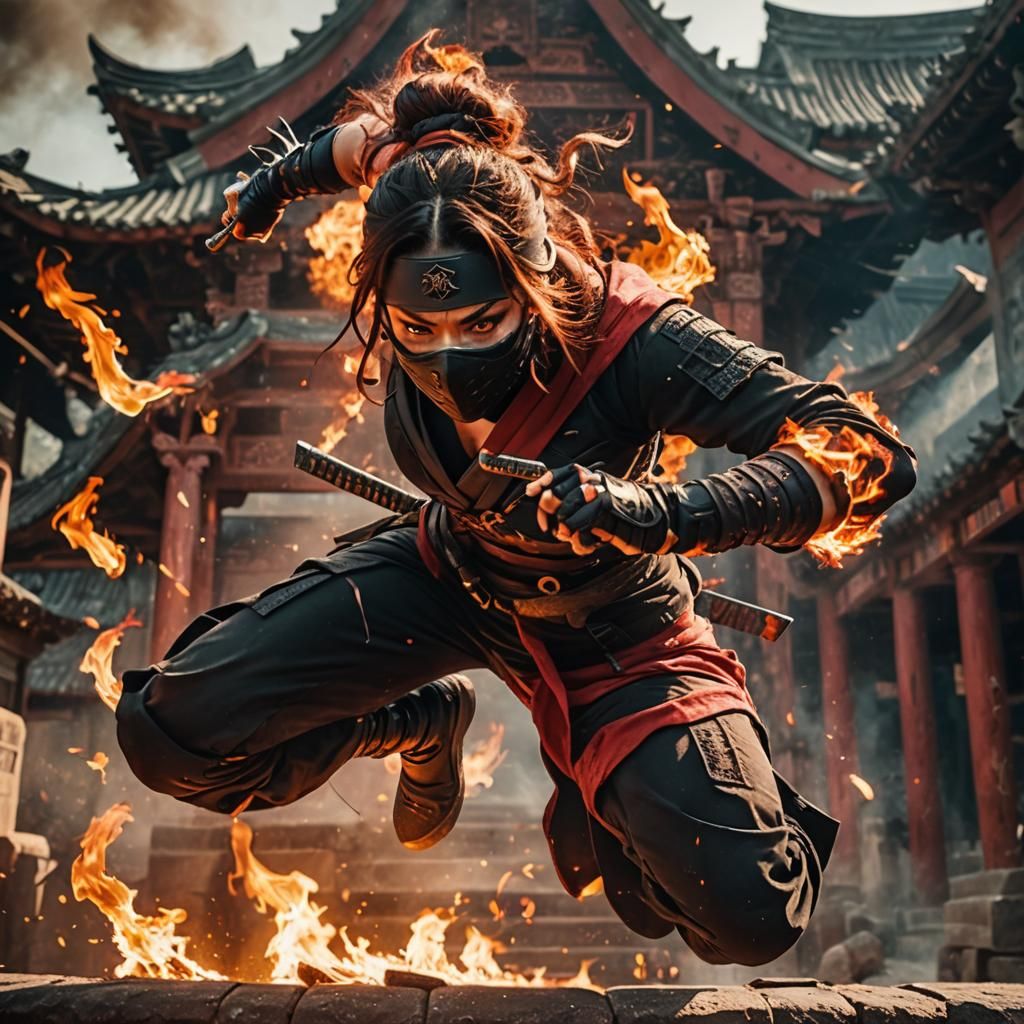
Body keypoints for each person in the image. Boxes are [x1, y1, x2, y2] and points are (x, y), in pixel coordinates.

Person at [117, 33, 916, 966]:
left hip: (617, 625)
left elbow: (869, 454)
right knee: (168, 734)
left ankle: (659, 797)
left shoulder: (635, 336)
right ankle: (417, 722)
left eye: (484, 321)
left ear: (528, 283)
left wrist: (663, 513)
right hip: (448, 569)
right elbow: (369, 143)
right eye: (418, 329)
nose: (450, 353)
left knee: (748, 917)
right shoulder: (414, 185)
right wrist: (277, 181)